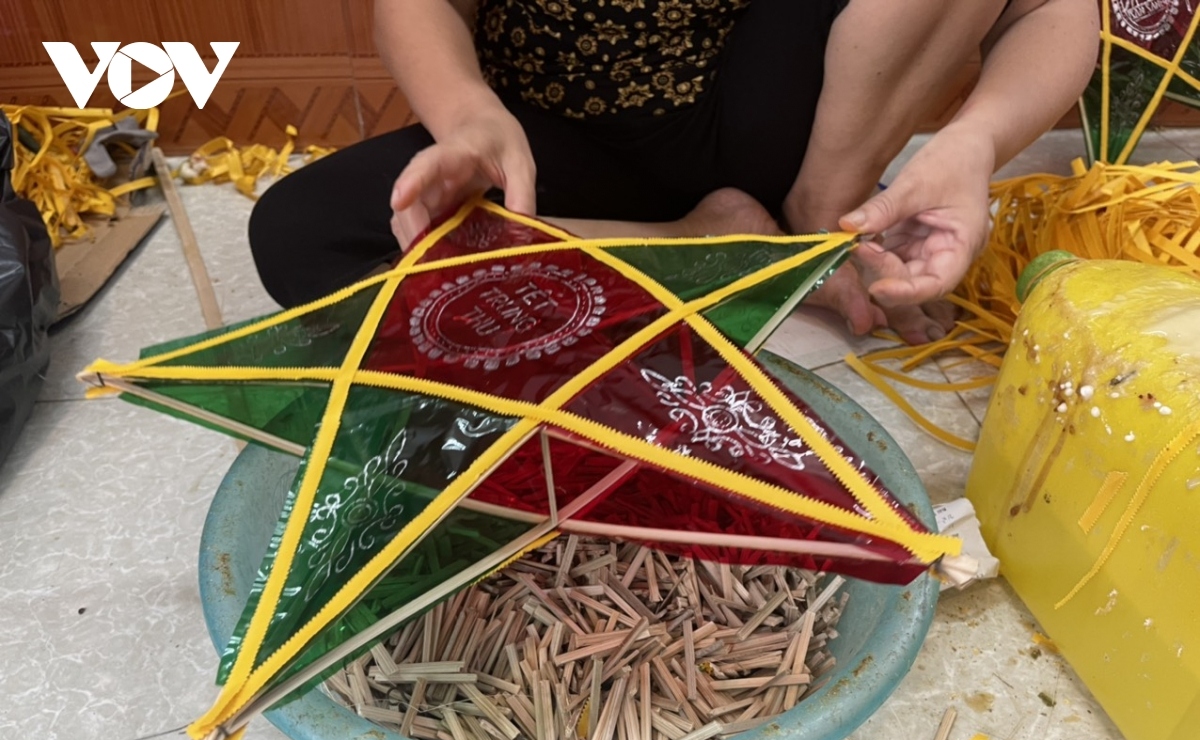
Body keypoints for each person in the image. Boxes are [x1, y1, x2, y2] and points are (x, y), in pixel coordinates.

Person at [249, 0, 1098, 344]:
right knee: (304, 240)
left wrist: (974, 140)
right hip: (537, 154)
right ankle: (701, 246)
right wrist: (470, 117)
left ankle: (819, 221)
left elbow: (1054, 10)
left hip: (757, 131)